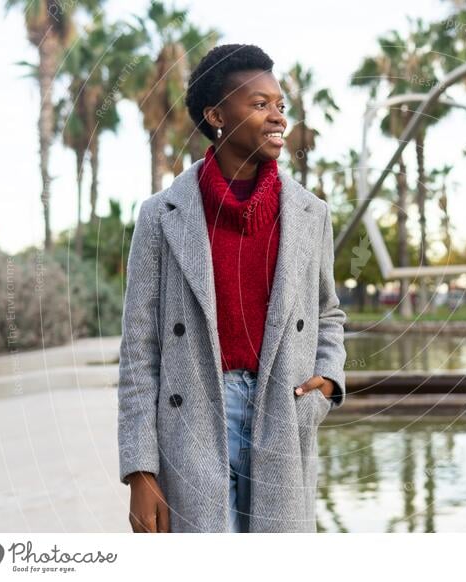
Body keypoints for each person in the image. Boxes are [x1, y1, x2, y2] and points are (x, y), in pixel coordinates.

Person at [119, 44, 347, 533]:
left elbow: (328, 314)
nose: (278, 118)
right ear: (217, 114)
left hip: (282, 407)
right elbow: (139, 348)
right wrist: (140, 469)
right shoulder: (160, 217)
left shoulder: (312, 215)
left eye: (281, 105)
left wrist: (326, 382)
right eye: (259, 104)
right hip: (194, 416)